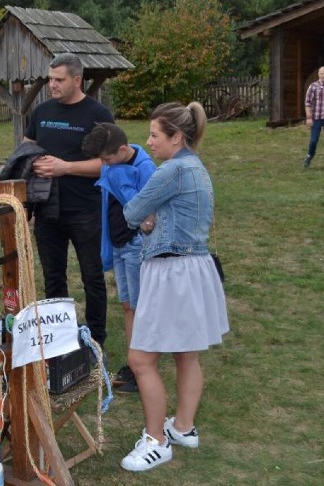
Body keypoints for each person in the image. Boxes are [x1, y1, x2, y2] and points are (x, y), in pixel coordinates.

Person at [119, 101, 229, 472]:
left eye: (154, 135)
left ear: (176, 137)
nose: (149, 142)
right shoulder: (197, 168)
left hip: (171, 272)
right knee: (187, 353)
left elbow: (131, 212)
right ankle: (183, 426)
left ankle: (157, 440)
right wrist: (154, 220)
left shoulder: (171, 171)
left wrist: (147, 221)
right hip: (194, 267)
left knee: (140, 359)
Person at [23, 53, 114, 347]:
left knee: (92, 276)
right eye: (50, 79)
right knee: (53, 278)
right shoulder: (41, 112)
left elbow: (109, 165)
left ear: (77, 80)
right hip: (47, 208)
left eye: (59, 80)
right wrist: (30, 163)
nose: (52, 85)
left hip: (85, 209)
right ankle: (59, 340)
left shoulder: (97, 114)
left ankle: (96, 339)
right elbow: (24, 151)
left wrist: (66, 167)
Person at [82, 123, 157, 393]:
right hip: (118, 243)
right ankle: (133, 364)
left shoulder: (145, 169)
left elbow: (148, 211)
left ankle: (142, 369)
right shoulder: (112, 164)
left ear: (123, 150)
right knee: (128, 306)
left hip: (137, 245)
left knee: (140, 309)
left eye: (107, 159)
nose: (104, 165)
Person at [304, 65, 324, 168]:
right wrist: (308, 118)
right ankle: (309, 156)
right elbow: (308, 103)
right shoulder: (313, 86)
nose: (323, 75)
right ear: (318, 74)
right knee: (313, 140)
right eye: (322, 73)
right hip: (316, 118)